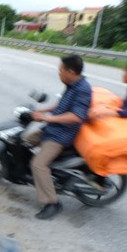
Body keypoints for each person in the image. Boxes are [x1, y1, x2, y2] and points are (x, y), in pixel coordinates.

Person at [30, 54, 92, 220]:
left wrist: (47, 118)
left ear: (70, 72)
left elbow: (76, 116)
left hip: (61, 135)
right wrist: (42, 110)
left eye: (60, 70)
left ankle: (52, 203)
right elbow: (62, 105)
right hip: (52, 128)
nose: (59, 73)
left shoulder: (83, 89)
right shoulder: (71, 85)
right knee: (22, 141)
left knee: (38, 164)